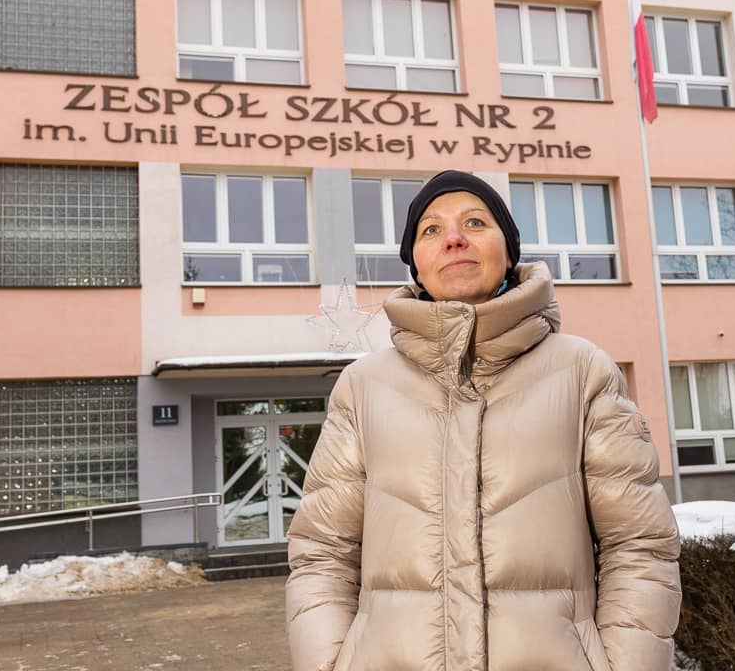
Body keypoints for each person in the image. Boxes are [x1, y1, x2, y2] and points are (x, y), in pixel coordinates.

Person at [285, 170, 681, 671]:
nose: (453, 238)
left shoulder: (582, 372)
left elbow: (640, 546)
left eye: (475, 222)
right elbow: (322, 553)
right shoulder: (363, 387)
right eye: (430, 230)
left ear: (509, 253)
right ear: (417, 266)